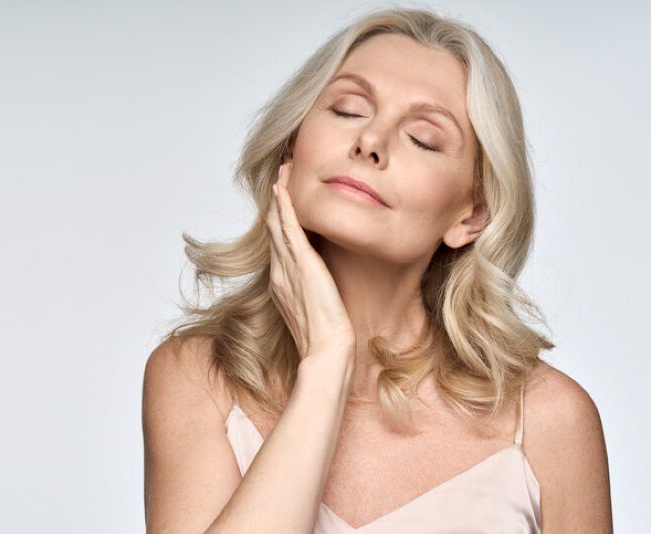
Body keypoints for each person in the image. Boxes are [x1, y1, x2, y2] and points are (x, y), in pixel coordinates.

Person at [142, 7, 612, 533]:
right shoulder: (199, 375)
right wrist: (325, 365)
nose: (370, 142)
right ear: (292, 146)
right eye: (347, 110)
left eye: (423, 139)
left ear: (471, 214)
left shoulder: (549, 421)